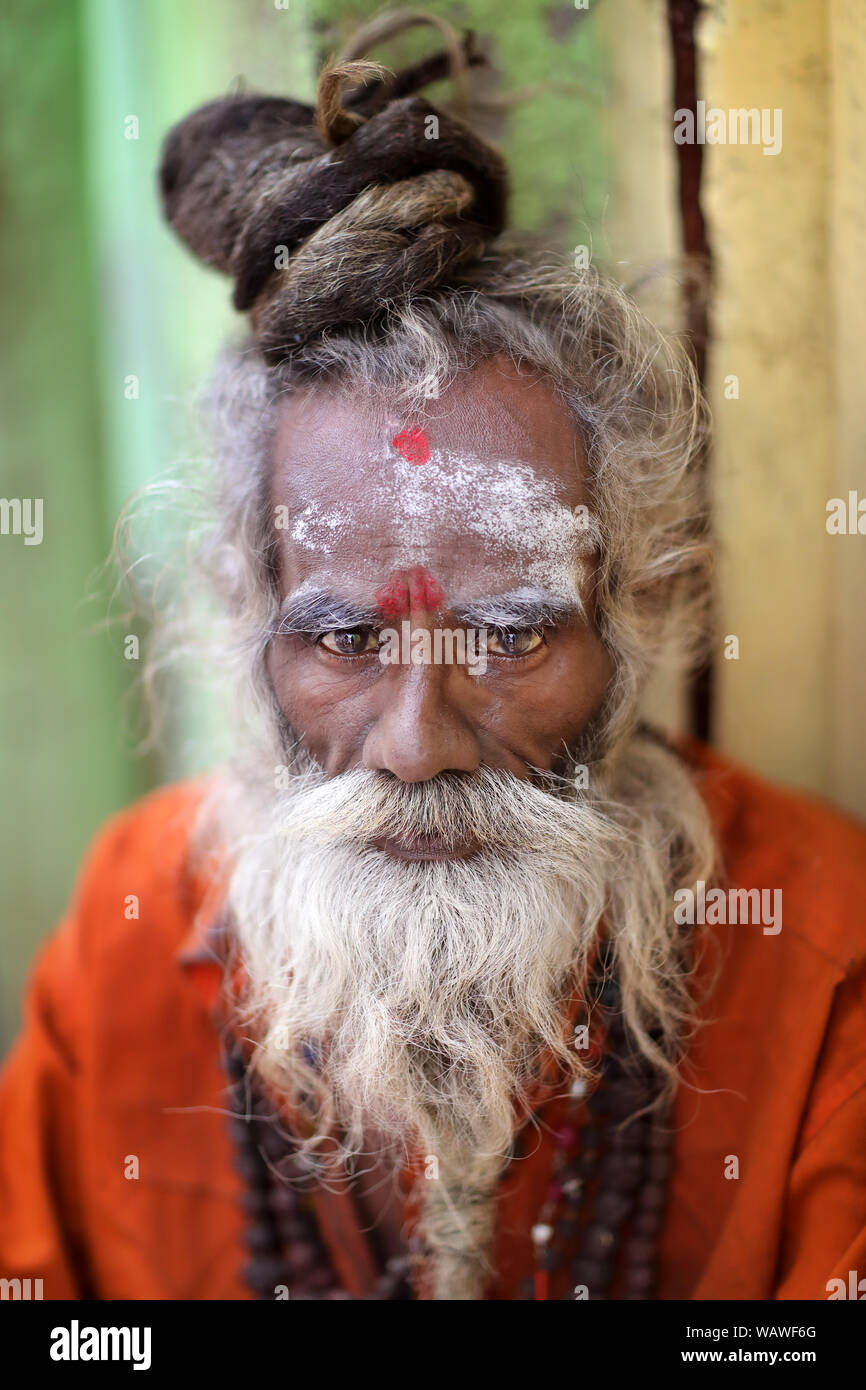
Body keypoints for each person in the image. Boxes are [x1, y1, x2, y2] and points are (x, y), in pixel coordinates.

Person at [2, 13, 865, 1302]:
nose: (417, 745)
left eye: (513, 634)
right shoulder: (130, 936)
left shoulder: (818, 935)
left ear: (633, 618)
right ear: (253, 626)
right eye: (347, 637)